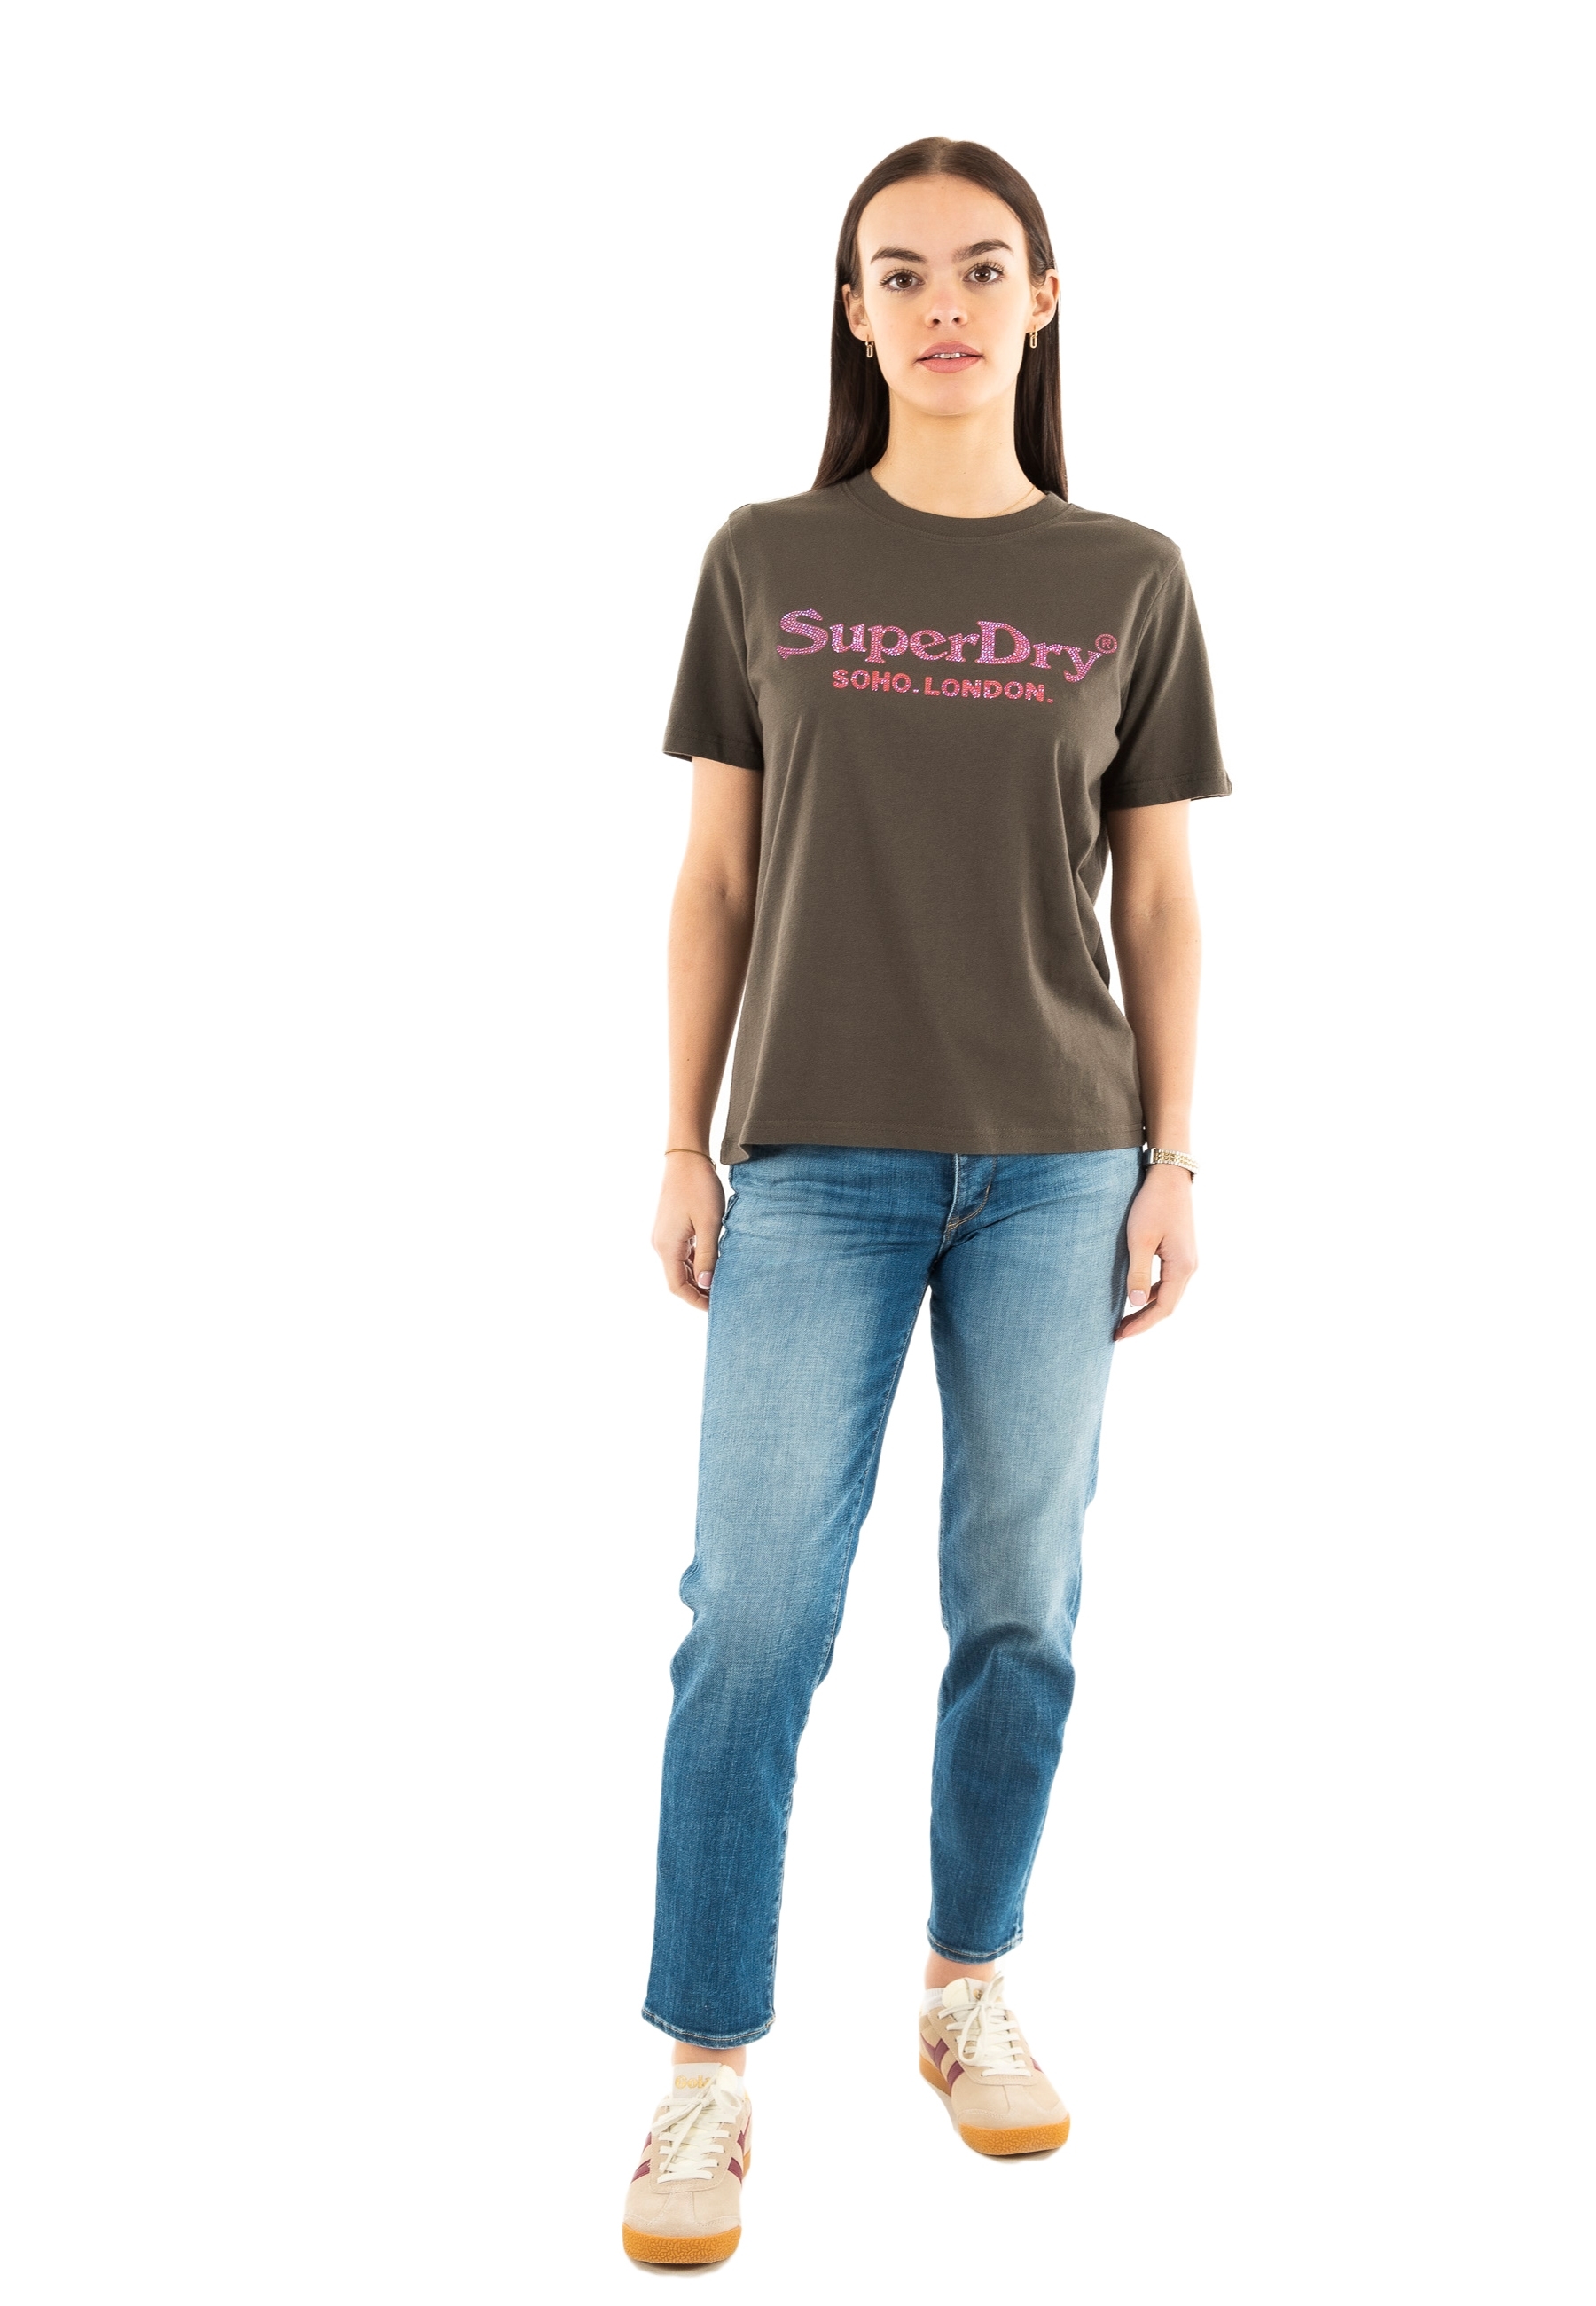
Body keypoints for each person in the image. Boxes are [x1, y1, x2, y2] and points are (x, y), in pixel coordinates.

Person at [621, 136, 1230, 2266]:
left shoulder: (1129, 576)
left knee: (1020, 1605)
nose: (945, 303)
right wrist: (680, 1137)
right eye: (902, 273)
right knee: (752, 1623)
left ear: (1043, 302)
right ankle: (706, 2070)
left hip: (1061, 1165)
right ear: (855, 310)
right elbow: (716, 875)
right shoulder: (765, 557)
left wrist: (1172, 1157)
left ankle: (968, 1986)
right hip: (814, 1160)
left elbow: (1159, 895)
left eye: (984, 268)